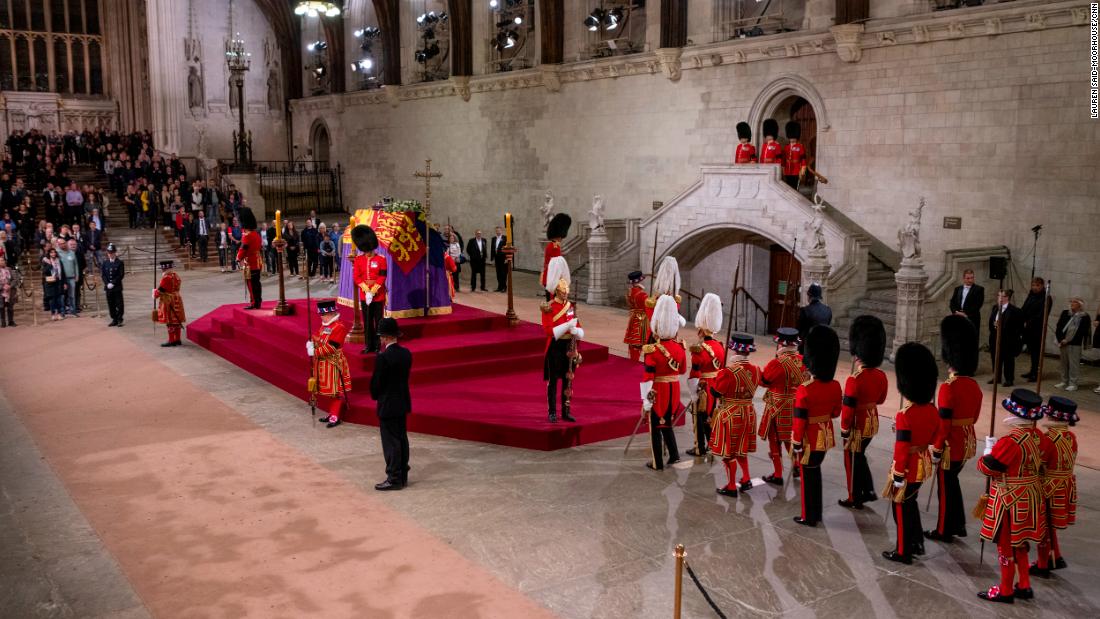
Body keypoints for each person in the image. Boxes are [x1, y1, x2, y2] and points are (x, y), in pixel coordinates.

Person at [976, 389, 1053, 604]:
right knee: (1020, 542)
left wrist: (987, 452)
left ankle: (1006, 589)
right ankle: (1024, 584)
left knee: (1006, 545)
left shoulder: (1010, 441)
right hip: (1031, 496)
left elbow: (988, 469)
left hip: (1010, 498)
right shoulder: (1040, 438)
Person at [880, 342, 939, 564]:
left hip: (908, 467)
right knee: (911, 503)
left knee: (901, 507)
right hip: (923, 462)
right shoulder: (932, 410)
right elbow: (932, 438)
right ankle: (917, 542)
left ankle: (903, 550)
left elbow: (902, 448)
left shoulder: (905, 414)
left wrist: (898, 474)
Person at [926, 315, 982, 543]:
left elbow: (945, 423)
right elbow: (975, 417)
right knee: (952, 483)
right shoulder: (974, 386)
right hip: (967, 440)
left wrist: (937, 448)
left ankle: (944, 529)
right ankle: (957, 524)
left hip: (951, 443)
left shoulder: (949, 387)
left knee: (945, 489)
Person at [791, 325, 841, 527]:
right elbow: (836, 413)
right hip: (825, 435)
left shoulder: (805, 389)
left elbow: (799, 421)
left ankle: (808, 515)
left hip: (808, 439)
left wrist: (795, 442)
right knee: (815, 473)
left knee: (808, 476)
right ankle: (815, 513)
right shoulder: (836, 386)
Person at [838, 316, 888, 510]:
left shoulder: (854, 379)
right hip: (872, 421)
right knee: (859, 456)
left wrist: (844, 428)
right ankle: (866, 490)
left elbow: (848, 408)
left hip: (856, 424)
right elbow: (881, 400)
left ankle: (854, 496)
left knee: (851, 458)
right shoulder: (881, 375)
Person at [1030, 395, 1078, 577]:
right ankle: (1055, 556)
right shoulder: (1071, 436)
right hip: (1065, 483)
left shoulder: (1048, 438)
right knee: (1051, 526)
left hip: (1049, 486)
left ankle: (1043, 564)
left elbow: (1038, 463)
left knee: (1043, 525)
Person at [708, 333, 759, 496]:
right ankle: (746, 478)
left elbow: (716, 392)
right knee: (741, 450)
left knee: (728, 453)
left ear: (734, 351)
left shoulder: (728, 372)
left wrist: (713, 379)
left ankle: (731, 486)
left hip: (731, 414)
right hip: (749, 413)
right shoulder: (757, 370)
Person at [640, 295, 684, 470]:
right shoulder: (680, 347)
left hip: (658, 390)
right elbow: (681, 371)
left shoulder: (653, 350)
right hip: (674, 389)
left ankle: (657, 461)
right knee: (667, 422)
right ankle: (674, 455)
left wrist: (645, 400)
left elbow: (648, 377)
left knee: (655, 426)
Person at [758, 328, 807, 485]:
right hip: (796, 404)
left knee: (774, 438)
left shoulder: (776, 363)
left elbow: (764, 381)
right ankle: (797, 464)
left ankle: (778, 473)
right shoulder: (803, 360)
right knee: (790, 437)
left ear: (780, 344)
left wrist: (759, 372)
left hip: (777, 405)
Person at [370, 317, 412, 490]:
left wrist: (375, 395)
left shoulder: (383, 357)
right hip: (402, 401)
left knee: (391, 442)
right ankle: (403, 474)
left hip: (388, 404)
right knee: (402, 438)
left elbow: (377, 383)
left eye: (381, 337)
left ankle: (394, 477)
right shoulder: (406, 354)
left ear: (385, 338)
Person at [540, 256, 583, 423]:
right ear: (557, 291)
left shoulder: (570, 306)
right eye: (563, 291)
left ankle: (566, 410)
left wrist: (578, 331)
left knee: (568, 379)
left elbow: (577, 325)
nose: (565, 294)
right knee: (553, 382)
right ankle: (552, 411)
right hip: (555, 347)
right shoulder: (548, 307)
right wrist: (567, 326)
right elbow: (549, 331)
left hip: (568, 346)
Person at [687, 293, 725, 457]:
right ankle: (712, 443)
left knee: (699, 417)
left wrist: (693, 392)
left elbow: (694, 372)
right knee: (710, 416)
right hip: (716, 385)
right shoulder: (720, 346)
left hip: (702, 387)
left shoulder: (699, 349)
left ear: (702, 329)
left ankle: (699, 447)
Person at [309, 301, 352, 428]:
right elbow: (318, 337)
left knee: (336, 391)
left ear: (330, 313)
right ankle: (332, 412)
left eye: (323, 315)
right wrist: (312, 342)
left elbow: (332, 347)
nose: (321, 317)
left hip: (334, 364)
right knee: (329, 392)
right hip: (324, 364)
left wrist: (314, 351)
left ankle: (335, 415)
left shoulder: (339, 327)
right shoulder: (325, 326)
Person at [353, 225, 386, 354]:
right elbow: (357, 277)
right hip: (364, 294)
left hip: (378, 295)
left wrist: (373, 291)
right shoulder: (358, 260)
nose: (366, 252)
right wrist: (366, 290)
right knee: (367, 321)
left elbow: (382, 276)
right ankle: (368, 345)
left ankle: (378, 345)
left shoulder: (381, 259)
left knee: (378, 320)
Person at [1053, 297, 1091, 392]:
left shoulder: (1084, 316)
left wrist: (1068, 340)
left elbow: (1082, 331)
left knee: (1073, 364)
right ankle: (1064, 381)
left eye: (1075, 302)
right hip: (1062, 343)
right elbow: (1059, 326)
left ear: (1080, 305)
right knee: (1064, 363)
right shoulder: (1065, 313)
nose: (1072, 303)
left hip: (1075, 344)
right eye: (1071, 301)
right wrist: (1061, 339)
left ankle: (1073, 384)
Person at [988, 289, 1022, 387]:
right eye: (999, 296)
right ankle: (997, 377)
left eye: (1003, 296)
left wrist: (1011, 336)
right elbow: (991, 322)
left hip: (1008, 340)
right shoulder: (995, 308)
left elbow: (1018, 327)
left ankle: (1009, 379)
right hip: (995, 338)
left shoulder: (1015, 311)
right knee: (995, 359)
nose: (1000, 298)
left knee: (1008, 360)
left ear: (1008, 298)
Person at [1020, 278, 1051, 382]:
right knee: (1031, 351)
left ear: (1042, 286)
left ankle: (1036, 374)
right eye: (1033, 285)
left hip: (1037, 329)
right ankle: (1032, 371)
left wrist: (1028, 322)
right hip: (1028, 329)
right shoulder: (1031, 295)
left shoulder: (1046, 298)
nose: (1034, 287)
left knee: (1036, 353)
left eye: (1037, 286)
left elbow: (1041, 315)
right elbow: (1024, 309)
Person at [154, 260, 186, 347]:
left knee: (170, 321)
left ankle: (172, 340)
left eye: (163, 269)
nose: (162, 271)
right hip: (177, 298)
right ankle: (177, 339)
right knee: (176, 320)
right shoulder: (176, 276)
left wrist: (155, 293)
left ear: (166, 269)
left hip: (168, 300)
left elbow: (161, 291)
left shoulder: (166, 278)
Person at [236, 207, 263, 309]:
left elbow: (243, 249)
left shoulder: (247, 236)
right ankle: (258, 302)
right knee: (257, 283)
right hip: (257, 261)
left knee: (251, 284)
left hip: (250, 264)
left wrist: (238, 258)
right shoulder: (255, 234)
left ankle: (254, 303)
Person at [541, 214, 571, 299]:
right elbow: (555, 265)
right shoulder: (554, 246)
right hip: (552, 276)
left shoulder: (553, 245)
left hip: (550, 275)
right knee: (552, 300)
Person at [796, 283, 832, 353]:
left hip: (808, 348)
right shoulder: (828, 310)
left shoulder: (804, 310)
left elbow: (799, 330)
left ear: (809, 296)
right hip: (823, 346)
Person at [949, 269, 985, 333]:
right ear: (963, 278)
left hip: (972, 319)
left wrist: (965, 314)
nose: (970, 280)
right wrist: (955, 312)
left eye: (972, 278)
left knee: (971, 340)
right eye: (968, 278)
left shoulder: (979, 289)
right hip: (958, 318)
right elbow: (952, 302)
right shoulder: (957, 289)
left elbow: (978, 305)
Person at [623, 271, 648, 362]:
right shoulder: (642, 294)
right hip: (642, 319)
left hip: (633, 318)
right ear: (640, 281)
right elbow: (647, 307)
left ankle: (633, 359)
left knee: (633, 341)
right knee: (640, 341)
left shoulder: (630, 292)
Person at [101, 243, 125, 326]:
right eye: (109, 253)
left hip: (117, 287)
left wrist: (113, 283)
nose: (110, 254)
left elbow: (121, 275)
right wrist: (107, 283)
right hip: (108, 287)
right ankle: (114, 319)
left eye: (112, 253)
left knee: (119, 304)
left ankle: (119, 319)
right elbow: (103, 275)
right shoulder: (105, 263)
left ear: (115, 253)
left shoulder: (120, 263)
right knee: (111, 304)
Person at [42, 247, 64, 320]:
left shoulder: (59, 260)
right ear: (49, 254)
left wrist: (64, 282)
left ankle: (59, 313)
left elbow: (62, 272)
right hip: (50, 282)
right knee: (52, 299)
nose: (53, 254)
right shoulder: (46, 261)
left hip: (58, 281)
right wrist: (50, 264)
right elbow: (44, 271)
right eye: (51, 252)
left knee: (58, 299)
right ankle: (53, 314)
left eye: (54, 252)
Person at [782, 121, 806, 189]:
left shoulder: (800, 146)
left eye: (793, 137)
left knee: (795, 189)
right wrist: (783, 170)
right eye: (790, 137)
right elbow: (783, 160)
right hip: (787, 171)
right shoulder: (786, 147)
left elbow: (803, 159)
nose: (792, 138)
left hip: (796, 171)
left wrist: (803, 169)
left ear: (796, 136)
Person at [491, 225, 507, 292]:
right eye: (496, 231)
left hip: (503, 258)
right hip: (497, 258)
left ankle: (504, 287)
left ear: (501, 231)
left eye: (499, 230)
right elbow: (492, 249)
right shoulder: (494, 238)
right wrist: (492, 259)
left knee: (503, 273)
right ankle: (499, 287)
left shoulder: (505, 238)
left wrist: (507, 258)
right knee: (498, 273)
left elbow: (508, 248)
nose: (498, 232)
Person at [0, 256, 14, 327]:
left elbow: (14, 279)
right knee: (1, 307)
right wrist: (2, 287)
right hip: (1, 291)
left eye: (3, 260)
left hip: (9, 291)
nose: (2, 262)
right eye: (1, 260)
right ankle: (3, 322)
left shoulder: (9, 269)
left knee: (10, 307)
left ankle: (11, 321)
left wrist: (10, 286)